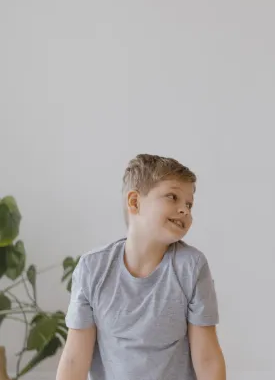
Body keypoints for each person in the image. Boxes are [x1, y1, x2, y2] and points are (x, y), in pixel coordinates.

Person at [56, 154, 226, 380]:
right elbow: (74, 360)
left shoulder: (191, 267)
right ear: (134, 202)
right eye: (172, 197)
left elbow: (208, 359)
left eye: (189, 204)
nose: (185, 210)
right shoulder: (93, 268)